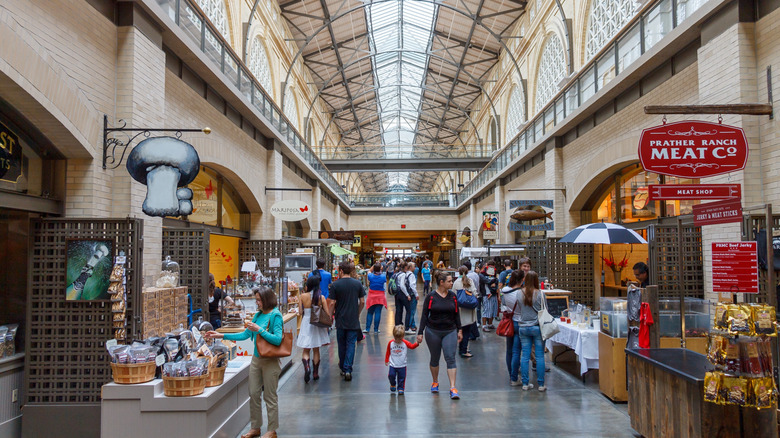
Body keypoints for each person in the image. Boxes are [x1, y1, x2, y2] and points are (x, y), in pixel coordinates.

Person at [205, 287, 282, 438]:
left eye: (259, 300)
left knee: (270, 396)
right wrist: (221, 335)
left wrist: (259, 330)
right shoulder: (258, 315)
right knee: (253, 393)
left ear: (266, 300)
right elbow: (245, 335)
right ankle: (255, 427)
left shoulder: (275, 315)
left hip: (270, 361)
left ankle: (272, 430)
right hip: (256, 359)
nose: (257, 303)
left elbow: (278, 339)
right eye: (256, 300)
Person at [417, 271, 462, 400]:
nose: (451, 283)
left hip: (450, 331)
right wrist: (420, 332)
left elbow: (456, 314)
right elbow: (424, 315)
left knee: (450, 358)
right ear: (441, 283)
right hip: (433, 331)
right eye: (449, 281)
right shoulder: (431, 297)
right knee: (435, 358)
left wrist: (460, 330)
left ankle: (453, 387)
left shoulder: (453, 296)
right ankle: (435, 381)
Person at [327, 261, 366, 381]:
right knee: (351, 344)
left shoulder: (335, 285)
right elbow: (362, 301)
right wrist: (358, 312)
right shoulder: (357, 284)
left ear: (341, 271)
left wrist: (329, 316)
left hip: (340, 319)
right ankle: (348, 368)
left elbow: (332, 302)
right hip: (353, 319)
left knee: (342, 344)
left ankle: (343, 368)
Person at [515, 270, 546, 391]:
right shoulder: (541, 294)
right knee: (539, 356)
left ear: (525, 280)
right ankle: (541, 384)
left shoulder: (519, 293)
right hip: (537, 327)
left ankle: (525, 383)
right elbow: (544, 309)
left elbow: (520, 308)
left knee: (525, 356)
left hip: (523, 327)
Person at [297, 275, 330, 383]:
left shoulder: (302, 296)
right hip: (317, 323)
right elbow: (327, 313)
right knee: (316, 349)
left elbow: (300, 312)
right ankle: (315, 373)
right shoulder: (321, 297)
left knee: (306, 349)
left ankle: (307, 367)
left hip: (306, 322)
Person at [499, 270, 526, 385]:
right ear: (522, 280)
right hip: (519, 322)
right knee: (516, 352)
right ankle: (514, 378)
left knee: (509, 351)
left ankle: (511, 375)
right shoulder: (522, 294)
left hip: (509, 322)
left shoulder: (505, 291)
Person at [385, 325, 419, 395]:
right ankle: (393, 384)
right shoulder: (391, 343)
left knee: (402, 378)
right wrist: (386, 360)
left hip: (402, 365)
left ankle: (401, 388)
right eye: (396, 339)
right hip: (393, 364)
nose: (398, 341)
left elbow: (412, 346)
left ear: (403, 337)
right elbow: (388, 351)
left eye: (400, 339)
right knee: (391, 375)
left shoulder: (405, 343)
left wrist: (417, 343)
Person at [454, 266, 478, 358]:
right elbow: (475, 293)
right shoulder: (469, 281)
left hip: (460, 310)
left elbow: (453, 294)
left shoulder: (456, 282)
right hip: (469, 309)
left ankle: (461, 348)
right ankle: (464, 350)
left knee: (461, 330)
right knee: (467, 331)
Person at [365, 263, 387, 333]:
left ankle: (367, 328)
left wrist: (373, 266)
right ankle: (376, 329)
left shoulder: (370, 276)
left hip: (371, 296)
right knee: (378, 313)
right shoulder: (383, 277)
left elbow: (369, 271)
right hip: (380, 296)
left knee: (370, 313)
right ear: (380, 268)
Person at [479, 261, 499, 332]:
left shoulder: (493, 274)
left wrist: (494, 281)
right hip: (487, 295)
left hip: (493, 294)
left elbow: (496, 281)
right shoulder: (481, 275)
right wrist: (494, 281)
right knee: (486, 310)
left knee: (494, 310)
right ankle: (484, 325)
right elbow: (488, 281)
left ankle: (490, 324)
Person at [393, 261, 413, 333]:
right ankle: (407, 328)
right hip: (402, 294)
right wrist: (407, 295)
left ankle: (397, 326)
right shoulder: (403, 275)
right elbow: (402, 286)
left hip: (397, 294)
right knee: (408, 310)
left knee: (398, 310)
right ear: (405, 267)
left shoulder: (396, 274)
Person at [405, 262, 419, 333]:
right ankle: (409, 326)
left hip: (408, 294)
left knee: (410, 310)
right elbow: (412, 285)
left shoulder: (406, 274)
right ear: (410, 267)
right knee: (412, 311)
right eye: (414, 266)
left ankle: (413, 325)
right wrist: (416, 294)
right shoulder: (412, 275)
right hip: (412, 294)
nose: (415, 268)